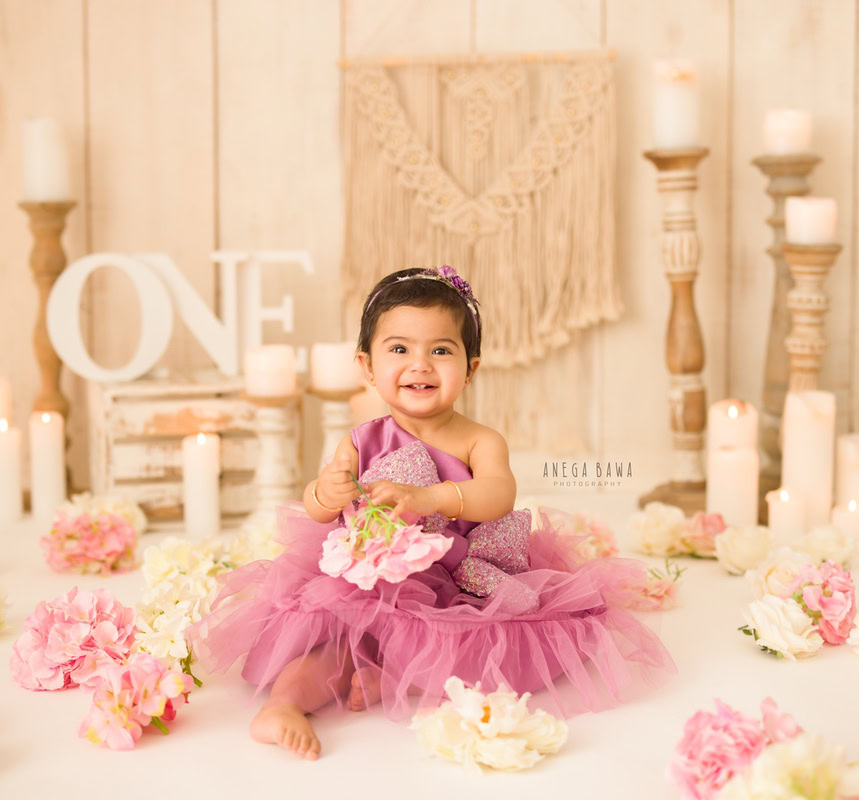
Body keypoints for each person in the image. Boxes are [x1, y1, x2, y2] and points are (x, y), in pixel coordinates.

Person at [191, 266, 675, 761]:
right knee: (340, 640)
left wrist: (431, 499)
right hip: (377, 580)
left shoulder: (479, 439)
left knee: (492, 655)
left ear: (470, 368)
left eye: (440, 350)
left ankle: (391, 677)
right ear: (367, 366)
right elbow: (316, 511)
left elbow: (498, 494)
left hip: (465, 582)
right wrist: (327, 492)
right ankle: (286, 704)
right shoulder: (361, 441)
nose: (420, 365)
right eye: (399, 349)